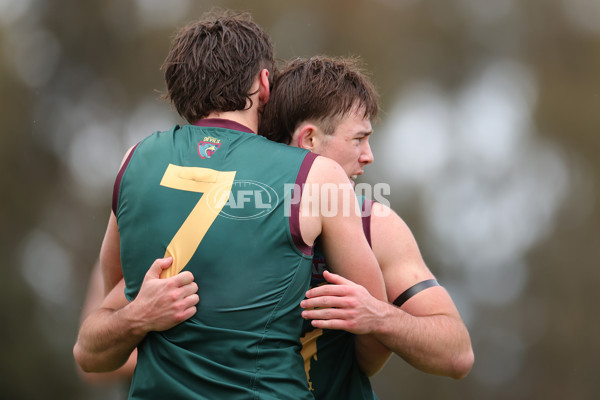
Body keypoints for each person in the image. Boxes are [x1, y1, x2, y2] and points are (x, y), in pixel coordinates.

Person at [72, 11, 387, 400]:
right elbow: (375, 325)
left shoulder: (133, 162)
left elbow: (92, 352)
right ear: (264, 83)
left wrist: (137, 317)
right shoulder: (316, 175)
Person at [259, 56, 474, 399]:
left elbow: (457, 353)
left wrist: (378, 316)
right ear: (309, 140)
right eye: (358, 139)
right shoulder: (230, 216)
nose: (368, 155)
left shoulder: (377, 227)